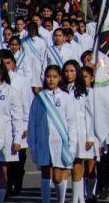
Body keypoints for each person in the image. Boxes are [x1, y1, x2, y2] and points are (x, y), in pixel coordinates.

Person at [29, 65, 78, 203]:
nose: (51, 79)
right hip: (43, 141)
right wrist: (33, 144)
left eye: (55, 77)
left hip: (60, 142)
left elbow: (72, 123)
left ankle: (60, 200)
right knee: (45, 172)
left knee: (57, 176)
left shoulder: (66, 97)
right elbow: (32, 121)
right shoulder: (39, 97)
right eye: (49, 76)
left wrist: (72, 144)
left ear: (60, 78)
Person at [0, 61, 25, 203]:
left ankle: (0, 199)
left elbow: (17, 117)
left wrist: (17, 140)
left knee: (2, 170)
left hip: (5, 136)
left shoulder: (11, 92)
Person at [62, 61, 96, 203]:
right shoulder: (61, 89)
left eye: (72, 71)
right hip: (64, 131)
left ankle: (78, 198)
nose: (69, 74)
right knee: (63, 165)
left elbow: (91, 115)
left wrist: (90, 136)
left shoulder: (86, 91)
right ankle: (64, 198)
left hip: (80, 131)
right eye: (66, 71)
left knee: (78, 163)